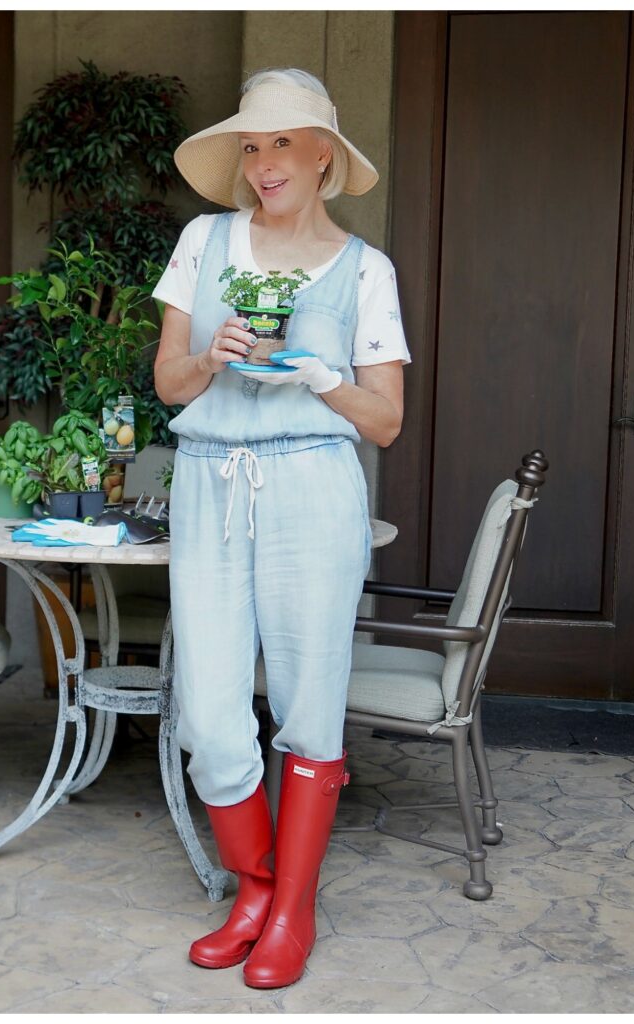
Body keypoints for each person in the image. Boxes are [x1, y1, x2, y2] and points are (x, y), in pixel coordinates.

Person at [152, 67, 411, 989]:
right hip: (210, 480)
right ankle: (255, 888)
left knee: (308, 705)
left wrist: (317, 377)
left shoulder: (364, 270)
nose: (264, 164)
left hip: (312, 484)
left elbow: (382, 421)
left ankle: (289, 912)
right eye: (252, 146)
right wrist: (208, 359)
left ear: (324, 157)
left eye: (282, 144)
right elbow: (166, 382)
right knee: (210, 714)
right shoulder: (205, 241)